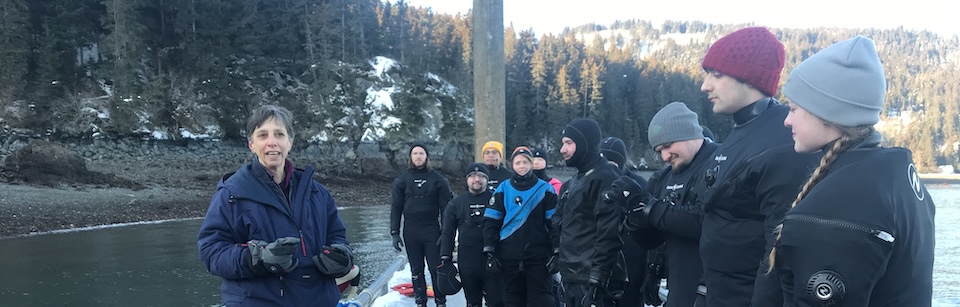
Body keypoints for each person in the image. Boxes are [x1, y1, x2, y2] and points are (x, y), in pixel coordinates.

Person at [770, 36, 935, 306]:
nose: (787, 121)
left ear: (825, 112)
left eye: (793, 109)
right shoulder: (895, 177)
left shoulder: (839, 203)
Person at [696, 26, 822, 307]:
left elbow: (780, 252)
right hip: (718, 293)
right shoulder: (744, 128)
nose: (706, 85)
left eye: (717, 75)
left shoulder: (782, 142)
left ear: (749, 79)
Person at [197, 105, 352, 306]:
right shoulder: (231, 194)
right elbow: (211, 252)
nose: (272, 142)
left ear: (290, 142)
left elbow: (338, 237)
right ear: (252, 144)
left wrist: (342, 257)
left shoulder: (319, 193)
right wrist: (256, 258)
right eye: (263, 135)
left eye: (279, 134)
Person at [607, 102, 721, 307]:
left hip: (715, 289)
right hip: (679, 288)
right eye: (659, 150)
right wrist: (633, 213)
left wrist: (650, 208)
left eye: (668, 146)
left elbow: (706, 221)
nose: (665, 156)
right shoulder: (664, 177)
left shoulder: (721, 162)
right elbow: (653, 239)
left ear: (688, 133)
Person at [553, 118, 626, 307]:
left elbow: (609, 233)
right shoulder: (571, 184)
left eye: (569, 143)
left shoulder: (606, 178)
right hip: (572, 275)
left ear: (585, 143)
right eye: (563, 144)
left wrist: (598, 277)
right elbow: (561, 223)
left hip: (594, 280)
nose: (563, 150)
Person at [483, 146, 559, 306]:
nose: (522, 166)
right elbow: (492, 221)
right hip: (508, 255)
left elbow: (554, 223)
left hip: (538, 256)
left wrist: (557, 250)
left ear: (531, 164)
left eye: (525, 162)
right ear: (513, 165)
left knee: (542, 299)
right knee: (511, 298)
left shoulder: (546, 189)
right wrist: (490, 249)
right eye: (518, 162)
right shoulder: (503, 189)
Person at [390, 143, 454, 307]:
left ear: (427, 157)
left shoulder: (438, 180)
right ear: (411, 157)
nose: (418, 156)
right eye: (415, 153)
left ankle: (440, 301)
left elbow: (446, 209)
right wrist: (394, 232)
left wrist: (447, 234)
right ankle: (421, 301)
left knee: (435, 268)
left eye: (421, 153)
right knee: (416, 269)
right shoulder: (402, 180)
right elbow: (396, 207)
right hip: (411, 231)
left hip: (432, 230)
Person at [440, 163, 505, 307]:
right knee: (473, 302)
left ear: (487, 179)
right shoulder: (456, 203)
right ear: (467, 179)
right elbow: (447, 232)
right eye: (473, 176)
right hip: (468, 260)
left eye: (481, 176)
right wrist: (446, 257)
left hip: (493, 258)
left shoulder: (498, 200)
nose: (477, 179)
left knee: (497, 302)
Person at [598, 136, 650, 306]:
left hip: (633, 255)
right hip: (602, 254)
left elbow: (649, 221)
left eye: (612, 162)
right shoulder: (596, 183)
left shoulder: (639, 184)